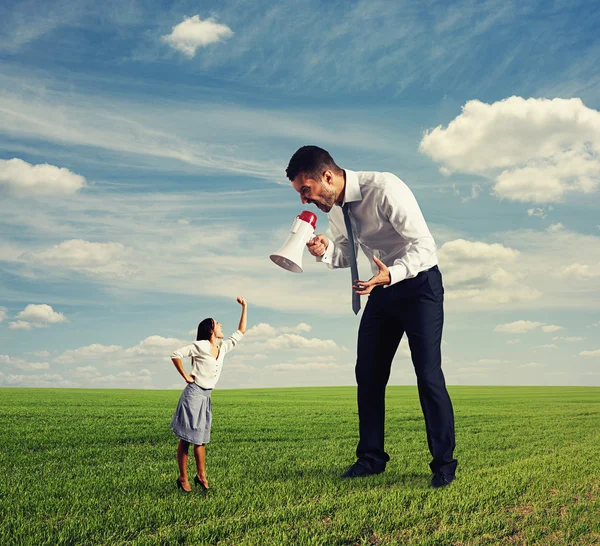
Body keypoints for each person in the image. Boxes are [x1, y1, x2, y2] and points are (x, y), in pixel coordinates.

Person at [286, 145, 457, 488]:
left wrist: (392, 273)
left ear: (328, 177)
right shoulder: (335, 208)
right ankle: (371, 459)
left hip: (419, 283)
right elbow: (347, 252)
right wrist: (325, 251)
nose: (305, 200)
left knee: (427, 373)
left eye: (306, 189)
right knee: (368, 372)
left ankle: (443, 464)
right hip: (380, 287)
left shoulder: (384, 189)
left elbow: (424, 245)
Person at [170, 297, 247, 492]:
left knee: (201, 439)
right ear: (211, 330)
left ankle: (200, 475)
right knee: (187, 438)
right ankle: (182, 477)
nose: (221, 325)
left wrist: (245, 307)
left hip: (206, 397)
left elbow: (241, 332)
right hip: (193, 395)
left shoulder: (221, 349)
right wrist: (186, 376)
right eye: (217, 323)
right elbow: (175, 354)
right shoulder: (202, 345)